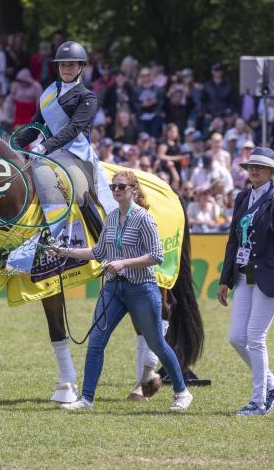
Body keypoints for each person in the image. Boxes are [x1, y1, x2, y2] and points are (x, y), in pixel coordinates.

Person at [50, 170, 193, 411]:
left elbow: (156, 256)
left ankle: (182, 392)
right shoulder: (113, 217)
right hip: (114, 289)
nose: (116, 190)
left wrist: (123, 263)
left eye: (121, 186)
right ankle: (86, 399)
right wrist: (64, 251)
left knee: (157, 343)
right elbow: (98, 252)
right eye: (113, 186)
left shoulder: (144, 218)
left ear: (133, 190)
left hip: (142, 289)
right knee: (96, 342)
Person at [218, 147, 274, 415]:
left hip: (269, 276)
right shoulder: (241, 197)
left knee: (256, 338)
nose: (254, 170)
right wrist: (225, 279)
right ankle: (272, 383)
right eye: (250, 167)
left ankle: (259, 401)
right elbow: (233, 240)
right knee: (237, 338)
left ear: (272, 173)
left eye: (260, 167)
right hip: (243, 275)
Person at [11, 41, 116, 271]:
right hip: (47, 151)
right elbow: (35, 124)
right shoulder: (49, 93)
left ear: (80, 67)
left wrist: (45, 146)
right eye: (63, 65)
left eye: (72, 65)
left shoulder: (87, 96)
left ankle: (106, 249)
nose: (66, 68)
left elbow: (73, 129)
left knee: (79, 192)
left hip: (74, 152)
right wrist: (12, 144)